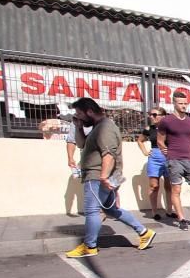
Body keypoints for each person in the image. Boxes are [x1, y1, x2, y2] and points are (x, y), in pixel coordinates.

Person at [65, 98, 157, 258]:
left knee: (92, 211)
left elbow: (109, 154)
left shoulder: (105, 128)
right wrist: (79, 127)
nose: (78, 117)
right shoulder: (97, 127)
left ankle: (89, 246)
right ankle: (144, 232)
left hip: (99, 175)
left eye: (80, 114)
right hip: (106, 175)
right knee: (111, 209)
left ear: (90, 111)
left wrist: (103, 177)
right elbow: (82, 145)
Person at [157, 90, 190, 230]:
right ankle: (181, 219)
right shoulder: (166, 121)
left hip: (189, 159)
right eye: (180, 103)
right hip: (174, 160)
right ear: (174, 103)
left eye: (185, 103)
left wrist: (185, 147)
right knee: (176, 190)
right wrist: (165, 150)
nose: (183, 106)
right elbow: (160, 140)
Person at [136, 107, 174, 221]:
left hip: (169, 158)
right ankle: (154, 212)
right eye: (150, 114)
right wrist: (145, 152)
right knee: (154, 186)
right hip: (155, 158)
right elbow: (140, 140)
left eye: (154, 115)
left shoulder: (170, 128)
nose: (151, 117)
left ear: (163, 116)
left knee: (169, 186)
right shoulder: (149, 129)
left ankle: (169, 211)